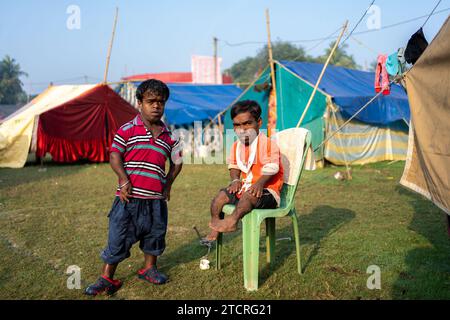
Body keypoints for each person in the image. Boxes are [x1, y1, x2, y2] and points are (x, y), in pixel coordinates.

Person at [85, 79, 183, 296]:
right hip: (128, 199)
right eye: (151, 101)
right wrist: (123, 180)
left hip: (156, 200)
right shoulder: (127, 130)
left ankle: (149, 268)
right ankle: (107, 278)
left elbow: (178, 162)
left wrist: (168, 184)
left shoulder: (171, 136)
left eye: (161, 102)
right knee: (118, 237)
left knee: (155, 234)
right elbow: (115, 156)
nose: (156, 106)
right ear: (139, 103)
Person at [207, 100, 283, 240]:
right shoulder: (236, 146)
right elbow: (234, 166)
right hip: (245, 190)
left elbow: (272, 167)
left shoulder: (267, 144)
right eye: (237, 125)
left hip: (267, 191)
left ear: (259, 123)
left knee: (249, 195)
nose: (242, 129)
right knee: (220, 196)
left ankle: (232, 221)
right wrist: (236, 180)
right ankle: (215, 224)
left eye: (248, 123)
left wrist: (260, 183)